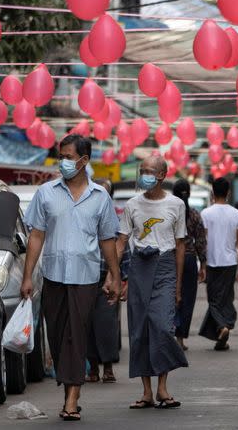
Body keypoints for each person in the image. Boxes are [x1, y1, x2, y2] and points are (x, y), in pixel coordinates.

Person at [20, 134, 121, 422]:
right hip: (52, 275)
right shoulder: (46, 193)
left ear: (84, 160)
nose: (62, 161)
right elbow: (36, 236)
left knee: (76, 334)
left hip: (86, 277)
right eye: (60, 156)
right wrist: (27, 276)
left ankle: (72, 399)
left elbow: (107, 241)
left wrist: (114, 276)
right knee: (57, 334)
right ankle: (69, 390)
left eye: (67, 156)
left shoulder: (100, 198)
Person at [117, 155, 188, 409]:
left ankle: (163, 387)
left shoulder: (176, 204)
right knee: (140, 328)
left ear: (162, 175)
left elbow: (180, 244)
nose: (144, 174)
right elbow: (122, 241)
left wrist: (179, 284)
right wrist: (113, 275)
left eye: (150, 171)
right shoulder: (132, 205)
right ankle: (147, 391)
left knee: (162, 325)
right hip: (139, 267)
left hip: (166, 265)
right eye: (142, 170)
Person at [86, 179, 126, 384]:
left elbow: (122, 246)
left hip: (107, 279)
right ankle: (93, 367)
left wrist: (120, 278)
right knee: (88, 325)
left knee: (107, 323)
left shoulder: (113, 219)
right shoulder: (84, 214)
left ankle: (108, 367)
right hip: (84, 278)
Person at [198, 178, 238, 351]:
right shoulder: (236, 214)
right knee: (225, 297)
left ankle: (223, 325)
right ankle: (223, 330)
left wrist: (201, 265)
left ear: (212, 192)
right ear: (228, 193)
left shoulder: (205, 214)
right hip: (230, 262)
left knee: (214, 299)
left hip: (211, 262)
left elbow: (202, 241)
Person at [172, 179, 207, 351]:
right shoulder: (193, 214)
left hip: (169, 259)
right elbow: (200, 240)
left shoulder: (169, 213)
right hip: (189, 259)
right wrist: (204, 264)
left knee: (169, 296)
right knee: (187, 299)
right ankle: (180, 338)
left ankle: (168, 333)